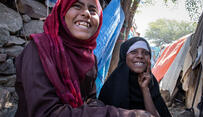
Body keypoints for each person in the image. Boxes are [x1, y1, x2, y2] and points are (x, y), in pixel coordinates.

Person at [15, 0, 154, 117]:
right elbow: (46, 112)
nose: (86, 13)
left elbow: (90, 98)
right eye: (77, 5)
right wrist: (120, 114)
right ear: (62, 12)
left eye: (93, 10)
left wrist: (95, 105)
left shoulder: (89, 59)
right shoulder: (39, 50)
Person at [99, 37, 172, 117]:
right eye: (133, 52)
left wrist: (145, 89)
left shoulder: (152, 84)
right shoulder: (112, 86)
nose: (140, 56)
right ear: (124, 57)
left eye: (145, 53)